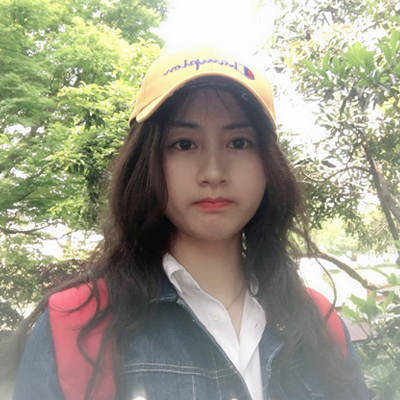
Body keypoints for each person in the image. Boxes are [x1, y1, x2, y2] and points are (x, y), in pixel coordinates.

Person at [6, 43, 368, 400]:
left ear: (268, 165)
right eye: (183, 144)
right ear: (147, 162)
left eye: (239, 142)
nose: (213, 172)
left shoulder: (321, 326)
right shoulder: (76, 328)